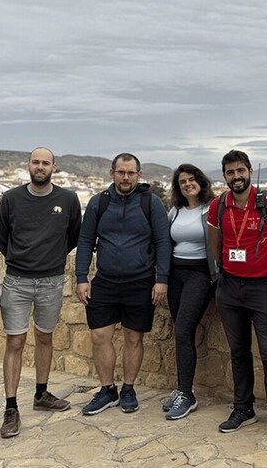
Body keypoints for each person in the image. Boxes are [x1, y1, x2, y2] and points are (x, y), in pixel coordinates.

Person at [207, 149, 267, 443]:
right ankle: (243, 408)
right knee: (238, 352)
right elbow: (215, 246)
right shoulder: (219, 206)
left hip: (262, 289)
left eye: (240, 171)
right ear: (225, 176)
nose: (236, 177)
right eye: (230, 172)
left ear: (248, 171)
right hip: (230, 288)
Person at [75, 153, 171, 416]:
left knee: (133, 337)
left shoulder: (151, 203)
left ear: (139, 175)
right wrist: (81, 277)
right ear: (112, 173)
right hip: (105, 281)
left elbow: (163, 242)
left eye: (131, 173)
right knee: (99, 337)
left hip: (140, 281)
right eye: (121, 172)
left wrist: (161, 279)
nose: (126, 177)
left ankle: (128, 388)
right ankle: (107, 389)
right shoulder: (99, 203)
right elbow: (85, 241)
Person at [0, 147, 81, 438]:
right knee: (15, 342)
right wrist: (22, 259)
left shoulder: (68, 199)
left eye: (46, 163)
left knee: (45, 336)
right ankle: (11, 407)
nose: (40, 167)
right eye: (36, 162)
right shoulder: (11, 199)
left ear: (54, 167)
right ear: (28, 166)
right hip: (17, 281)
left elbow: (73, 236)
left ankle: (41, 394)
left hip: (51, 281)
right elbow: (1, 237)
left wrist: (51, 259)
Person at [162, 164, 218, 420]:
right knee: (180, 332)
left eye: (192, 179)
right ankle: (181, 388)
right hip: (176, 274)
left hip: (199, 274)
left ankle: (187, 393)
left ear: (200, 181)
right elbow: (165, 243)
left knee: (184, 328)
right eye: (182, 181)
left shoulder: (212, 209)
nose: (187, 184)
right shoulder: (174, 212)